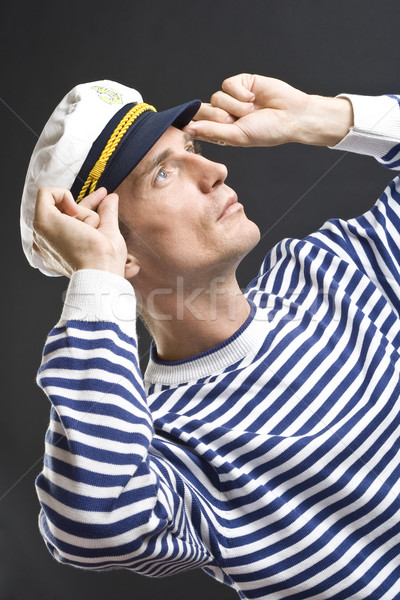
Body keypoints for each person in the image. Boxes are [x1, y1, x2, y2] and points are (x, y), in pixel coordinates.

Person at [24, 73, 400, 599]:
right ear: (114, 247)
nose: (217, 169)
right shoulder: (166, 446)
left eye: (193, 148)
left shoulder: (331, 269)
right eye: (164, 174)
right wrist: (96, 278)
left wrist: (320, 117)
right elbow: (98, 524)